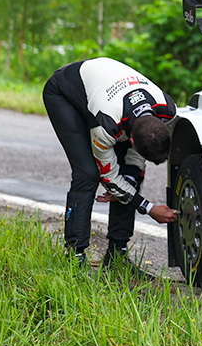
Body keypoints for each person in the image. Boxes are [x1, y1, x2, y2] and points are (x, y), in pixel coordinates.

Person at [43, 57, 178, 267]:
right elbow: (109, 176)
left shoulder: (168, 109)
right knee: (87, 174)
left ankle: (117, 256)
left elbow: (133, 163)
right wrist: (148, 208)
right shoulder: (106, 126)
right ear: (131, 140)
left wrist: (128, 183)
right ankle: (74, 257)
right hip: (65, 92)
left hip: (109, 96)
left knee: (128, 180)